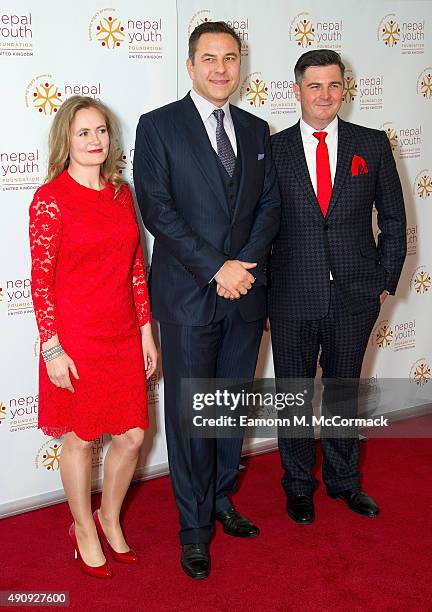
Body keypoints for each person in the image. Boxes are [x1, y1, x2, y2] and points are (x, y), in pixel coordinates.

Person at [133, 21, 280, 578]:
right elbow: (158, 212)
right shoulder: (158, 126)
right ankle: (193, 527)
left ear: (240, 65)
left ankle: (221, 498)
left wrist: (239, 269)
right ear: (190, 66)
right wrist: (215, 267)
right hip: (189, 295)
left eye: (230, 57)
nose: (221, 68)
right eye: (209, 58)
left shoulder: (256, 128)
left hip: (244, 295)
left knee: (230, 409)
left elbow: (269, 207)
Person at [269, 50, 406, 524]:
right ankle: (298, 485)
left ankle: (345, 482)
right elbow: (260, 226)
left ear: (345, 88)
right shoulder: (275, 148)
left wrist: (385, 279)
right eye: (314, 86)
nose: (325, 95)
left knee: (345, 391)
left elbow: (392, 217)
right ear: (296, 90)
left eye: (333, 85)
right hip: (290, 295)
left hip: (355, 294)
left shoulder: (371, 144)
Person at [29, 95, 157, 579]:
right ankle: (83, 527)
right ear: (66, 139)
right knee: (81, 439)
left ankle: (109, 515)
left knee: (132, 435)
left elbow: (135, 269)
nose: (94, 140)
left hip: (123, 332)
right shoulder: (50, 199)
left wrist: (146, 332)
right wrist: (52, 348)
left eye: (101, 131)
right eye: (83, 132)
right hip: (76, 338)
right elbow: (40, 284)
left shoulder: (123, 194)